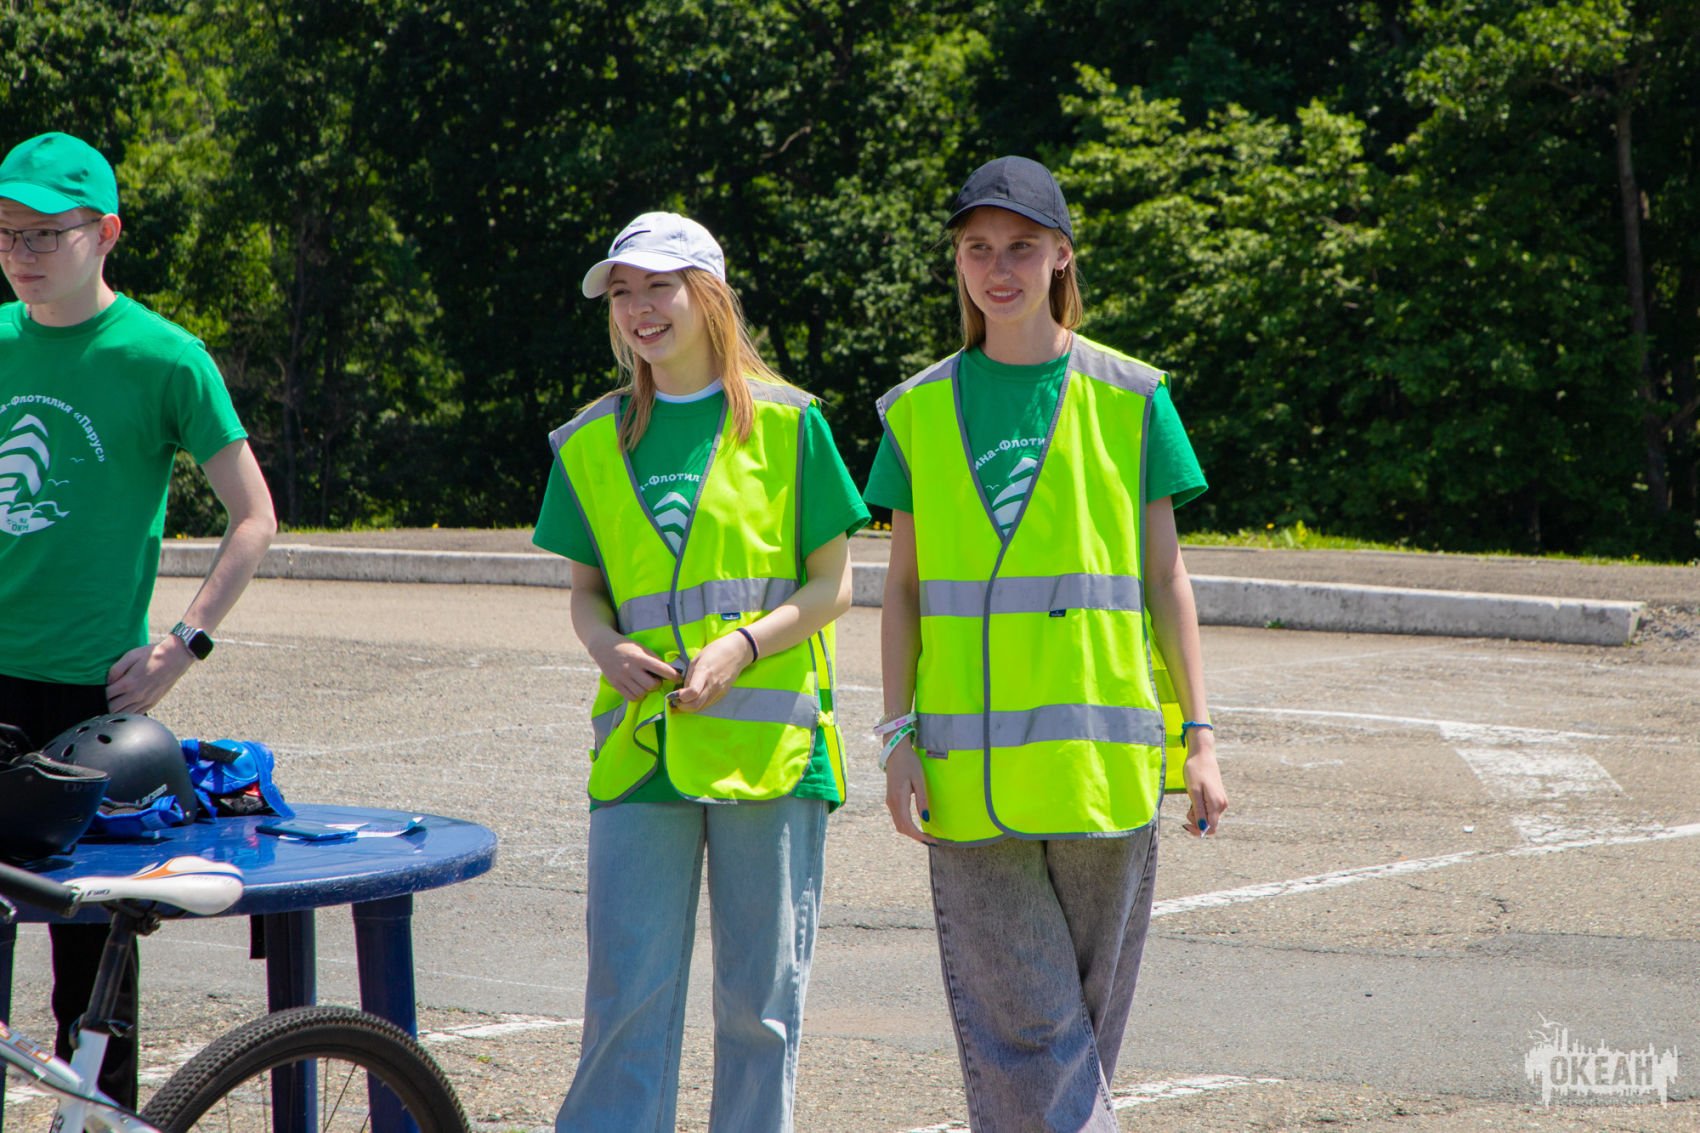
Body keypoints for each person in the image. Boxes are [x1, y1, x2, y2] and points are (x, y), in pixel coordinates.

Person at [863, 155, 1230, 1131]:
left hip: (1101, 770)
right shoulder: (916, 409)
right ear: (956, 260)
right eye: (977, 247)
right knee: (1027, 1036)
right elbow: (901, 590)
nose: (999, 268)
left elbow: (1165, 579)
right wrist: (895, 734)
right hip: (965, 775)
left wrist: (1199, 737)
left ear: (1062, 254)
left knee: (1076, 1036)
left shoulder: (1132, 396)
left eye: (1021, 246)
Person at [535, 211, 867, 1132]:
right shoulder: (589, 440)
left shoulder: (793, 424)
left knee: (762, 1009)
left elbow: (834, 586)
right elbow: (587, 595)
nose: (640, 308)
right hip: (642, 752)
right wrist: (604, 646)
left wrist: (744, 646)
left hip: (772, 755)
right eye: (623, 291)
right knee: (624, 1000)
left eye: (659, 286)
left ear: (709, 295)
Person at [0, 131, 277, 1108]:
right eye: (7, 232)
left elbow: (254, 515)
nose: (23, 252)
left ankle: (98, 1123)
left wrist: (181, 644)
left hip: (92, 702)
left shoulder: (165, 357)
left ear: (107, 232)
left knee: (91, 973)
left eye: (47, 232)